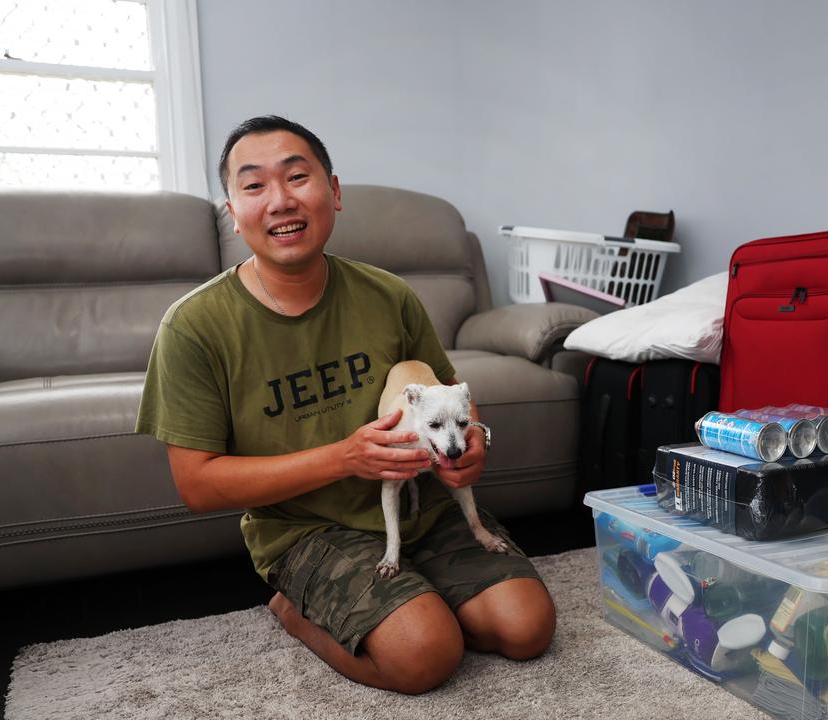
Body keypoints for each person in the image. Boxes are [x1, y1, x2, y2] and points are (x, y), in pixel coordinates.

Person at [135, 115, 556, 694]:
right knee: (426, 657)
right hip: (307, 527)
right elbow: (198, 485)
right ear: (232, 211)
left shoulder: (388, 295)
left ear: (333, 192)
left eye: (297, 177)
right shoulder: (193, 327)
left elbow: (450, 393)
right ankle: (295, 608)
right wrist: (344, 459)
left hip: (421, 505)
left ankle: (419, 593)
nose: (280, 201)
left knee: (527, 629)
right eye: (254, 186)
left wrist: (473, 442)